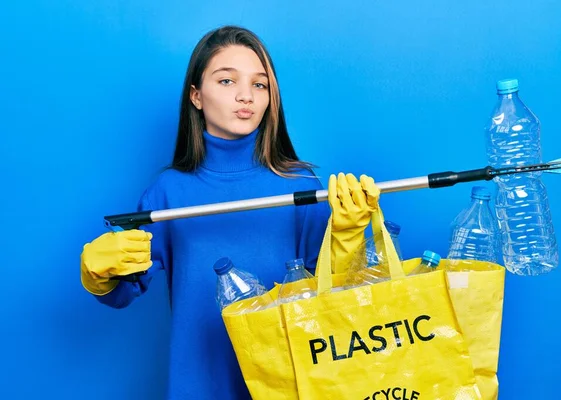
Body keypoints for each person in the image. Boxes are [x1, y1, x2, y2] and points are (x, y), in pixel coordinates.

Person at [80, 25, 380, 399]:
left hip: (290, 381)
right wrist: (99, 275)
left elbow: (337, 296)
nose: (245, 96)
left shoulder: (299, 185)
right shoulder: (168, 192)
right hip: (200, 383)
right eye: (226, 81)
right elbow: (123, 293)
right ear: (196, 96)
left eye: (259, 85)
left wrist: (347, 235)